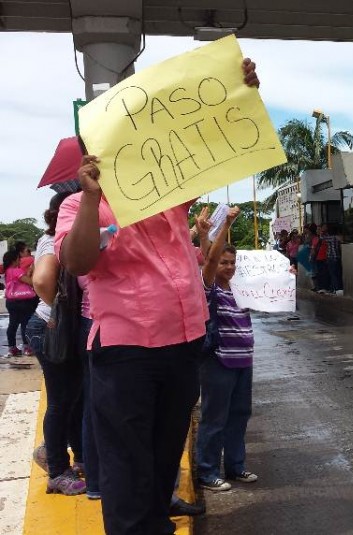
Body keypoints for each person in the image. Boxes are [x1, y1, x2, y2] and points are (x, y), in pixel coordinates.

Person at [55, 58, 260, 535]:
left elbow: (210, 142)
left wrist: (241, 91)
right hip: (126, 353)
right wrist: (91, 198)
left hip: (183, 346)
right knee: (127, 464)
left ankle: (156, 524)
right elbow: (78, 261)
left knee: (165, 453)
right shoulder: (79, 204)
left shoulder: (170, 194)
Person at [194, 206, 259, 492]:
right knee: (215, 418)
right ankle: (207, 471)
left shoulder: (242, 288)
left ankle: (236, 466)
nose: (229, 267)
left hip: (244, 361)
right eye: (224, 262)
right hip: (218, 362)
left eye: (232, 262)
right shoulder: (210, 289)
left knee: (239, 415)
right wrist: (224, 227)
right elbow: (208, 260)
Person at [26, 191, 86, 496]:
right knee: (62, 401)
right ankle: (57, 469)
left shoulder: (65, 240)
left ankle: (78, 458)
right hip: (51, 327)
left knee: (75, 398)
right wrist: (60, 312)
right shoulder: (52, 241)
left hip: (58, 327)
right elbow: (40, 281)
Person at [3, 249, 38, 357]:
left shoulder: (8, 271)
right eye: (19, 259)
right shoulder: (16, 270)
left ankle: (12, 347)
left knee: (12, 324)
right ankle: (27, 347)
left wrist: (28, 273)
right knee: (25, 324)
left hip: (11, 301)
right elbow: (30, 282)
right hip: (23, 301)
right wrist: (32, 272)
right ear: (14, 260)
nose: (20, 261)